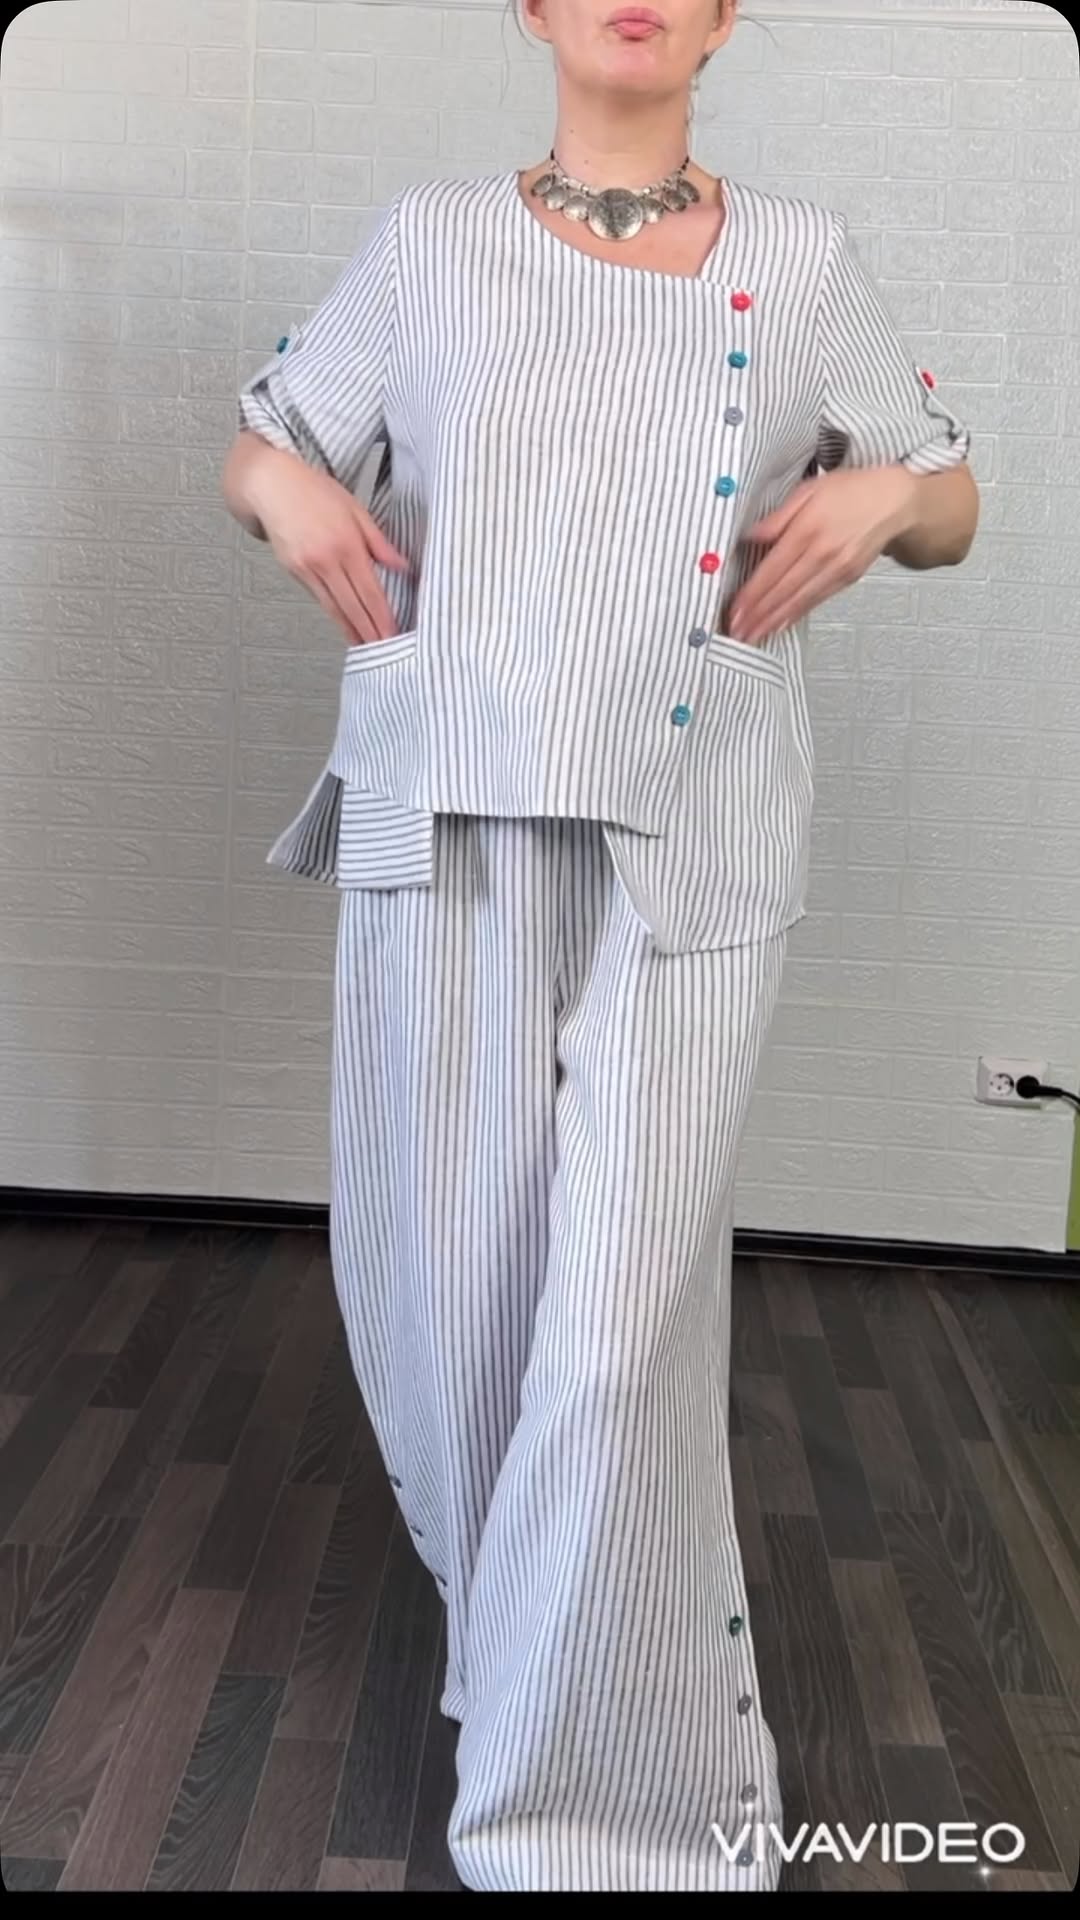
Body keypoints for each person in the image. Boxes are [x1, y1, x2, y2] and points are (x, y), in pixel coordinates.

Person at [222, 0, 978, 1892]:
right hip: (449, 806)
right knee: (451, 1295)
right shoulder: (428, 247)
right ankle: (533, 1672)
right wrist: (287, 485)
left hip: (693, 821)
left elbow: (952, 499)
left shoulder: (800, 260)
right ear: (533, 8)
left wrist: (893, 493)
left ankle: (609, 1821)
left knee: (619, 1316)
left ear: (725, 16)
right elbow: (265, 442)